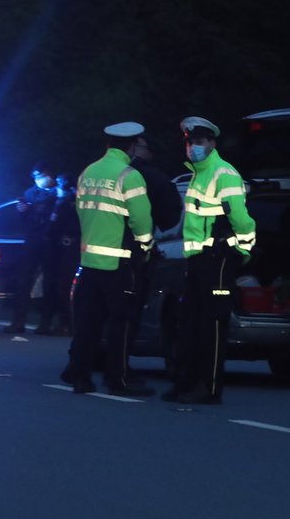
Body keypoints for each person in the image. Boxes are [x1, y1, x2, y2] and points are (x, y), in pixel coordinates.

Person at [161, 116, 256, 405]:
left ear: (212, 143)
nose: (193, 147)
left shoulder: (222, 172)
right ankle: (185, 382)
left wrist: (244, 249)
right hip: (198, 260)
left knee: (212, 325)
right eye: (190, 142)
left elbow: (240, 218)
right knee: (190, 323)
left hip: (218, 258)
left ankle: (209, 387)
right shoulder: (199, 174)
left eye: (199, 142)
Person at [61, 122, 156, 397]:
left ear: (108, 144)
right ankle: (119, 379)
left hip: (89, 261)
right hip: (119, 264)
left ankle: (80, 376)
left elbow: (81, 211)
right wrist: (146, 246)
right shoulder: (130, 175)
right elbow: (141, 219)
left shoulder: (88, 172)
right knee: (121, 323)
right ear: (131, 146)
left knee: (87, 322)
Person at [126, 133, 182, 375]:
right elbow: (169, 217)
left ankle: (81, 369)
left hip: (95, 258)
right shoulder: (153, 178)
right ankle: (120, 372)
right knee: (128, 312)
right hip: (135, 258)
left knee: (100, 312)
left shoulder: (96, 173)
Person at [5, 162, 59, 335]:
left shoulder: (60, 193)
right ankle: (18, 322)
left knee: (50, 283)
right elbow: (22, 222)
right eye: (37, 177)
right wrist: (23, 211)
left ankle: (45, 324)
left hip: (52, 243)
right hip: (32, 241)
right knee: (23, 282)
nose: (40, 179)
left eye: (42, 175)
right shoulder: (30, 193)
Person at [37, 173, 80, 336]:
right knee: (64, 286)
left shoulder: (63, 202)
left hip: (60, 249)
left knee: (56, 286)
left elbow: (51, 227)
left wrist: (47, 237)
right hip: (72, 248)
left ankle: (54, 323)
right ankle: (63, 323)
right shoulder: (84, 203)